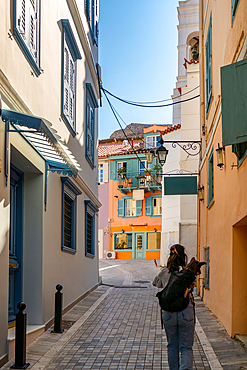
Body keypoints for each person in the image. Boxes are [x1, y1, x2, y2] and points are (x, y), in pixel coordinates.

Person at [153, 244, 195, 370]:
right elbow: (194, 286)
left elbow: (155, 283)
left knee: (172, 345)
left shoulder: (164, 272)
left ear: (170, 257)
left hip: (168, 312)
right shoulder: (188, 273)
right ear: (184, 257)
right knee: (186, 347)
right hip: (186, 311)